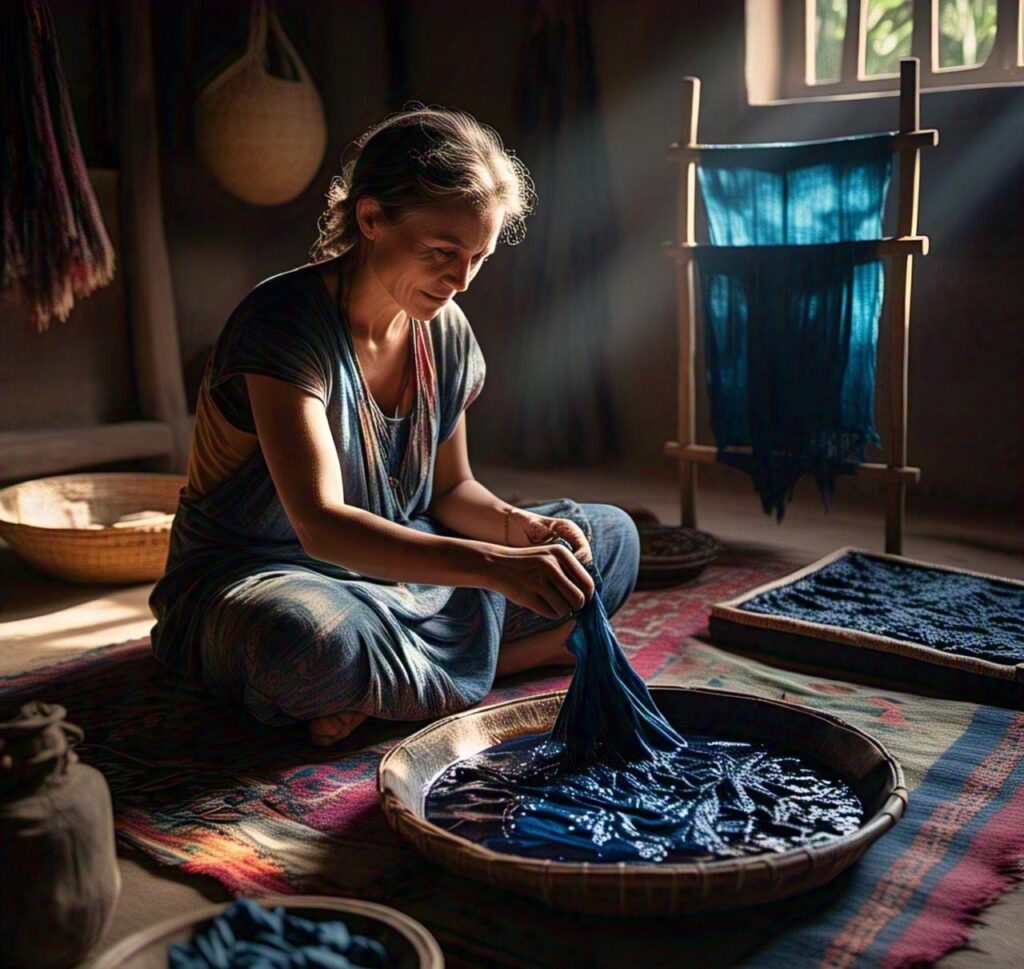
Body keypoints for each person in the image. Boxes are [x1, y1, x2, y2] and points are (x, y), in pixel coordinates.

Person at [150, 107, 640, 747]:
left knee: (610, 541)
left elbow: (450, 493)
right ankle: (470, 667)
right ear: (371, 219)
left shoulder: (445, 329)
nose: (460, 280)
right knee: (303, 645)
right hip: (266, 576)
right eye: (442, 252)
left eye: (478, 258)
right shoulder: (284, 325)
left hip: (402, 569)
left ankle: (393, 693)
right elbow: (319, 525)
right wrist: (494, 568)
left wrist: (524, 531)